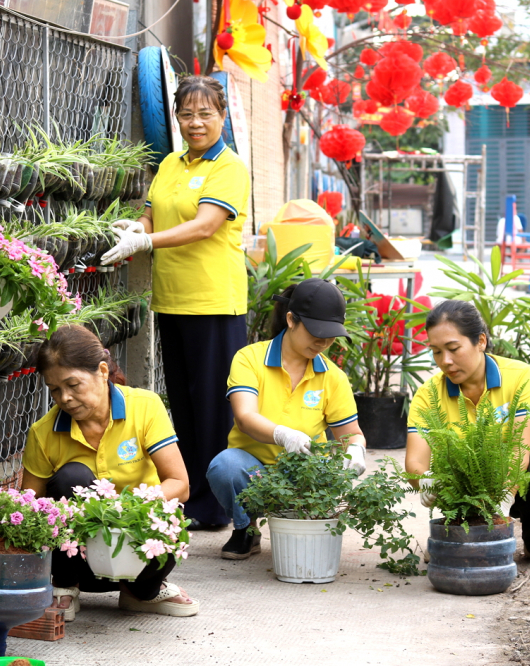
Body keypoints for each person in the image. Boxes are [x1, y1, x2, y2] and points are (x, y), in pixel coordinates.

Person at [101, 75, 250, 530]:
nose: (195, 123)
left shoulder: (229, 167)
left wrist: (144, 243)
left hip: (213, 300)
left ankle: (217, 506)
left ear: (222, 116)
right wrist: (135, 226)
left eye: (205, 113)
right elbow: (152, 211)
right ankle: (189, 498)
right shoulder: (170, 163)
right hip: (173, 299)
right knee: (183, 404)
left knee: (212, 406)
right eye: (186, 114)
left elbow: (205, 225)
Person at [21, 325, 199, 621]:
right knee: (71, 478)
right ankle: (64, 588)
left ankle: (141, 593)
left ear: (102, 371)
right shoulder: (43, 433)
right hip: (79, 563)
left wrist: (124, 511)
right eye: (54, 389)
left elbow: (180, 484)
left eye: (73, 384)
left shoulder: (144, 407)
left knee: (170, 523)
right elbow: (29, 506)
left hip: (140, 552)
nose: (64, 398)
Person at [207, 278, 368, 559]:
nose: (324, 342)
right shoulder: (250, 359)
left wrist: (356, 449)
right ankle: (246, 529)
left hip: (303, 472)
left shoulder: (333, 376)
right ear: (291, 319)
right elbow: (244, 417)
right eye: (317, 332)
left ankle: (306, 522)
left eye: (331, 335)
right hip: (251, 470)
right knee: (225, 466)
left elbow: (351, 433)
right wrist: (284, 434)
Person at [404, 300, 530, 563]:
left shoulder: (518, 376)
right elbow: (414, 462)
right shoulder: (428, 395)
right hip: (464, 488)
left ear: (480, 341)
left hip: (520, 480)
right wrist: (425, 482)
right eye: (436, 352)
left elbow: (519, 448)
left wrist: (502, 501)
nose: (445, 361)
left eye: (453, 348)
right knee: (453, 475)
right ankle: (455, 534)